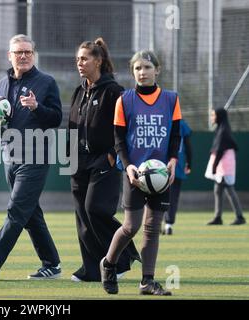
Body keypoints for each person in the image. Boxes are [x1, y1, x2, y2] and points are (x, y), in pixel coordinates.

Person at [0, 34, 63, 280]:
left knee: (16, 209)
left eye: (27, 52)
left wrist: (37, 108)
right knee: (30, 213)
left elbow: (56, 118)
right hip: (9, 154)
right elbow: (1, 123)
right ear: (10, 55)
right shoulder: (2, 83)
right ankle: (52, 264)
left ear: (33, 55)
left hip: (36, 156)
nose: (23, 56)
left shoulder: (46, 82)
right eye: (18, 52)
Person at [99, 50, 181, 296]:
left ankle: (147, 281)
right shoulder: (124, 100)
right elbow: (118, 139)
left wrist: (174, 160)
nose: (142, 73)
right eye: (137, 68)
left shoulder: (171, 99)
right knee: (130, 226)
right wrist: (128, 165)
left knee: (153, 226)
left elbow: (176, 134)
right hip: (135, 174)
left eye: (147, 67)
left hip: (161, 174)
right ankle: (109, 263)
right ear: (132, 72)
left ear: (157, 70)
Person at [68, 38, 140, 282]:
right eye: (78, 58)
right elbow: (72, 127)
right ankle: (91, 269)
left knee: (95, 209)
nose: (80, 63)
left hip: (104, 161)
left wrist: (111, 155)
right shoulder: (79, 91)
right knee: (82, 216)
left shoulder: (114, 92)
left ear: (98, 61)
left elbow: (125, 129)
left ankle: (122, 257)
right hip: (79, 161)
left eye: (85, 58)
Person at [205, 108, 245, 225]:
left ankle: (240, 217)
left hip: (225, 165)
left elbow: (220, 150)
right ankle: (218, 217)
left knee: (229, 190)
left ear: (219, 116)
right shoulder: (221, 129)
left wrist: (214, 166)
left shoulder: (223, 131)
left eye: (214, 115)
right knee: (218, 189)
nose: (212, 117)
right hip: (223, 164)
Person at [162, 119, 192, 235]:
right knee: (172, 197)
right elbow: (188, 146)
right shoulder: (181, 123)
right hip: (177, 165)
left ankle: (155, 223)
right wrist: (189, 163)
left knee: (154, 195)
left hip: (158, 164)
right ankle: (168, 224)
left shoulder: (158, 118)